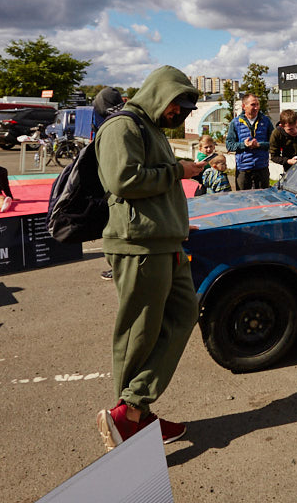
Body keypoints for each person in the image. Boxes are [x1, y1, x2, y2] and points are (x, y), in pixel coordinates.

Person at [95, 66, 203, 451]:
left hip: (165, 241)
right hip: (139, 245)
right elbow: (122, 180)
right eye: (178, 105)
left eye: (186, 109)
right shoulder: (122, 127)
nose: (180, 114)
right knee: (139, 332)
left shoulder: (150, 127)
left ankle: (133, 410)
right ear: (160, 93)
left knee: (184, 313)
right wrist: (179, 171)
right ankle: (130, 417)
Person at [226, 93, 272, 189]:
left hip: (261, 168)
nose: (256, 108)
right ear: (244, 106)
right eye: (253, 105)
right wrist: (244, 145)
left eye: (257, 104)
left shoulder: (266, 121)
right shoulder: (235, 123)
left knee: (262, 200)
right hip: (243, 169)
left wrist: (259, 145)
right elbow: (229, 145)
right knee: (243, 201)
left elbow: (273, 144)